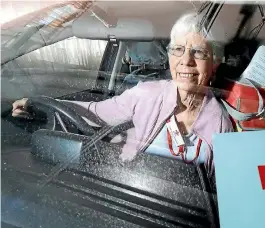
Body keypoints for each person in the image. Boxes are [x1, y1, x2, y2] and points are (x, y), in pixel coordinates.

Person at [11, 12, 234, 178]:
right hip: (130, 192)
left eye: (199, 52)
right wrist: (42, 106)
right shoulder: (147, 94)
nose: (186, 61)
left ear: (214, 63)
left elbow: (220, 195)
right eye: (178, 49)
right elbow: (93, 112)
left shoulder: (221, 126)